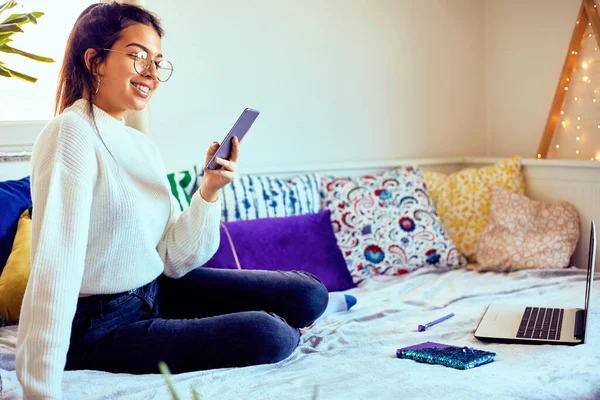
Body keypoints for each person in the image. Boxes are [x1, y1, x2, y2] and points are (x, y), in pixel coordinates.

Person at [15, 3, 328, 398]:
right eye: (137, 56)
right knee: (270, 334)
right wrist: (38, 389)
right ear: (94, 61)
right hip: (100, 326)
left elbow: (173, 259)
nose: (151, 72)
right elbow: (55, 267)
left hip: (156, 289)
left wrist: (209, 190)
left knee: (308, 294)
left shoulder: (141, 146)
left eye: (157, 61)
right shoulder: (70, 134)